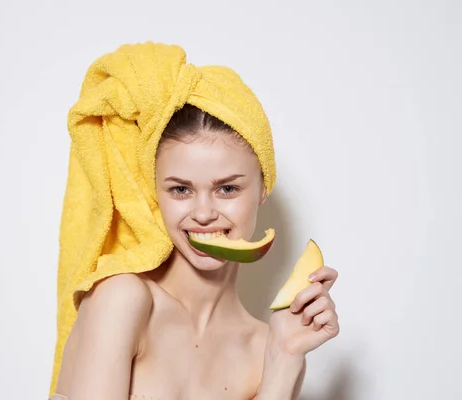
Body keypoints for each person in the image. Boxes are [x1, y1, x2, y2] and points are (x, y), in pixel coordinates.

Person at [48, 43, 339, 400]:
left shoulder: (267, 345)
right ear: (156, 192)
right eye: (181, 190)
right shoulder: (122, 300)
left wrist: (285, 356)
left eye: (227, 188)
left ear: (263, 188)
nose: (203, 213)